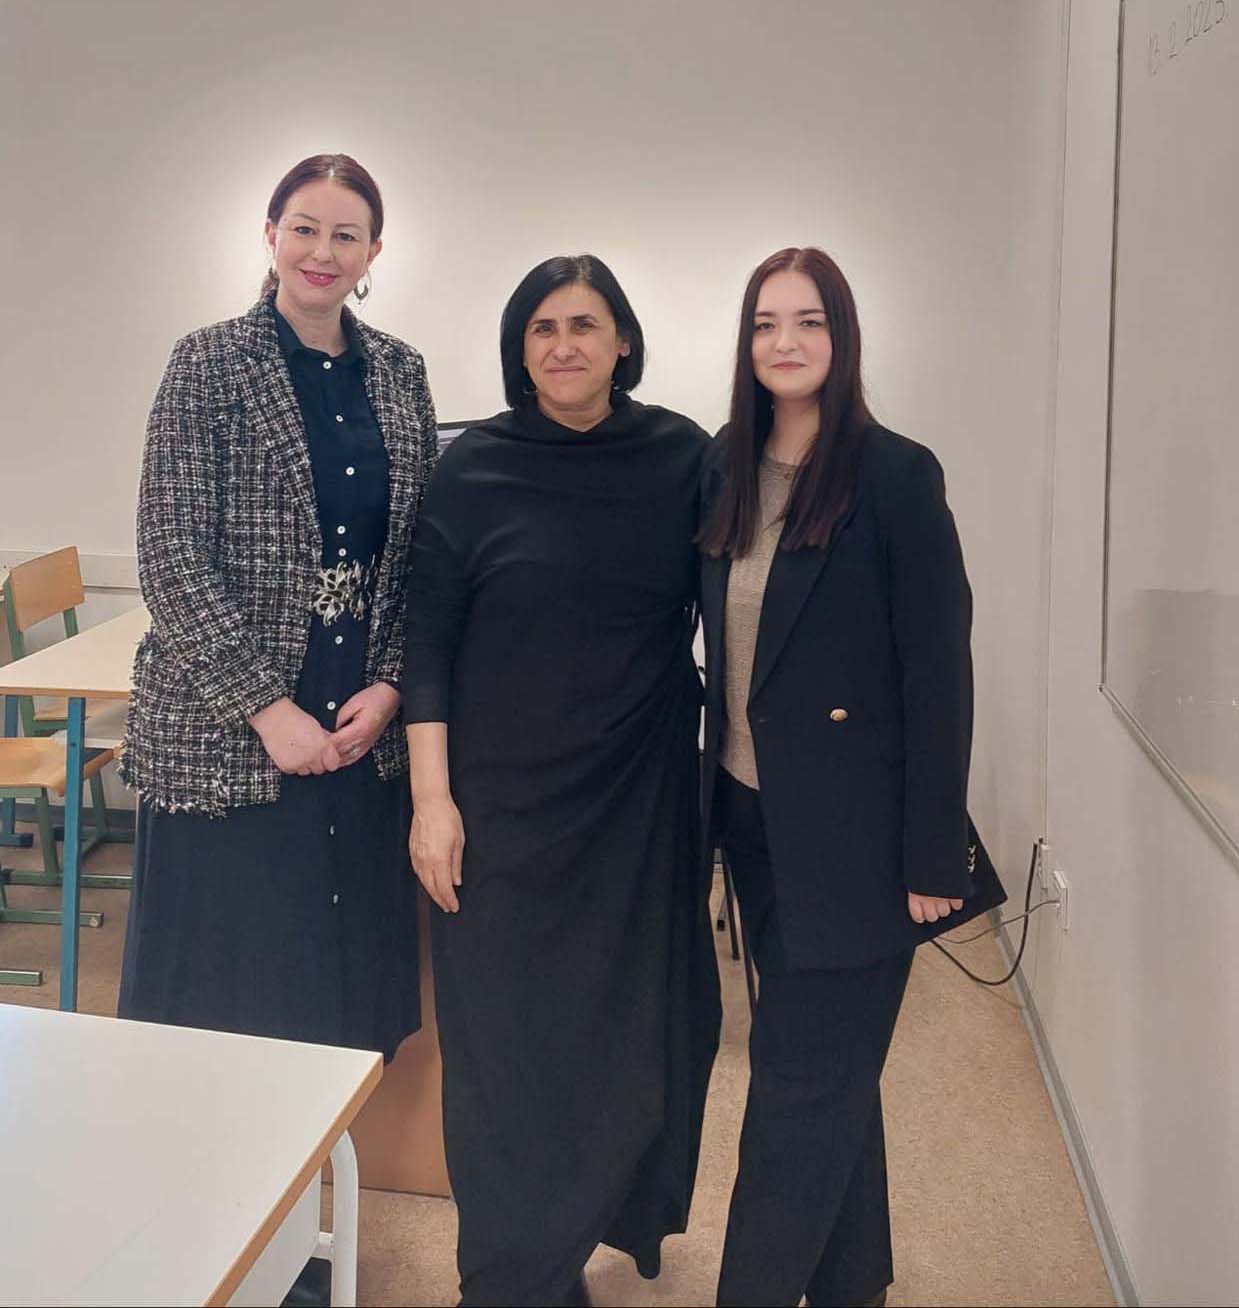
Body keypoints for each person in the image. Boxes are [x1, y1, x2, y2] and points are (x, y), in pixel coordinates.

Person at [402, 254, 722, 1307]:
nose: (564, 345)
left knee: (623, 1037)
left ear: (622, 340)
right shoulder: (472, 467)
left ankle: (569, 1241)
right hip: (498, 804)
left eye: (584, 324)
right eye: (541, 328)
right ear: (518, 349)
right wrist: (431, 802)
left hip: (636, 798)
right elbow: (427, 643)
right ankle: (512, 1276)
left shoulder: (682, 457)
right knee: (502, 1048)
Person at [698, 246, 1007, 1308]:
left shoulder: (895, 476)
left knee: (794, 1087)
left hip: (862, 841)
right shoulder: (725, 467)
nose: (784, 342)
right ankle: (852, 1280)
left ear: (843, 336)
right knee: (827, 1071)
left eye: (809, 321)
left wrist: (932, 856)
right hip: (751, 820)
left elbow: (938, 674)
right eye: (765, 323)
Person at [119, 152, 435, 1086]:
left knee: (338, 1003)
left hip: (357, 730)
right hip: (229, 732)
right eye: (304, 228)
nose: (322, 252)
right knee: (231, 1001)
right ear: (270, 235)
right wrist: (266, 708)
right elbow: (171, 553)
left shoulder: (400, 372)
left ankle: (323, 1178)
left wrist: (392, 683)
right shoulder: (207, 362)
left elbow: (419, 551)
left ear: (373, 251)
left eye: (345, 234)